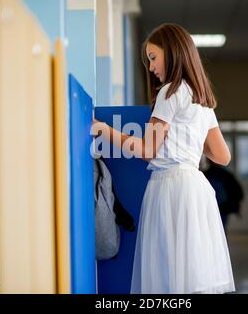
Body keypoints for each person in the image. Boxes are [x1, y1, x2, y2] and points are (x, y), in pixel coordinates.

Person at [92, 23, 235, 294]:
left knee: (168, 279)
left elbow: (148, 149)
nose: (150, 67)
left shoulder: (169, 92)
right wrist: (187, 140)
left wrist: (103, 130)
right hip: (196, 190)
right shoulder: (201, 99)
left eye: (153, 57)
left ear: (172, 53)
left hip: (170, 188)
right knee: (192, 276)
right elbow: (222, 156)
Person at [201, 156, 244, 233]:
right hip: (216, 209)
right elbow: (239, 193)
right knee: (219, 232)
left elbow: (238, 193)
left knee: (212, 232)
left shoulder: (205, 175)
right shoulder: (226, 175)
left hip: (220, 209)